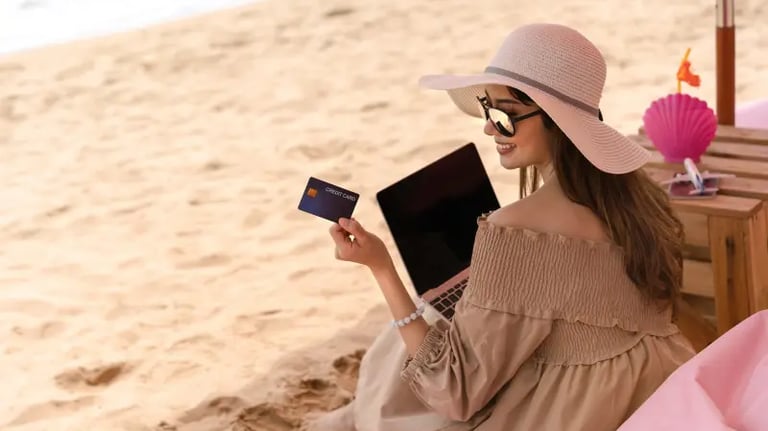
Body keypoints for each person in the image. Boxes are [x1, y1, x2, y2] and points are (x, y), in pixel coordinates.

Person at [304, 23, 696, 431]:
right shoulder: (642, 203)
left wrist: (380, 265)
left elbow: (454, 391)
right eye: (487, 111)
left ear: (557, 121)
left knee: (408, 337)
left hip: (570, 413)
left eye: (504, 116)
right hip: (649, 388)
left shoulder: (516, 229)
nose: (489, 127)